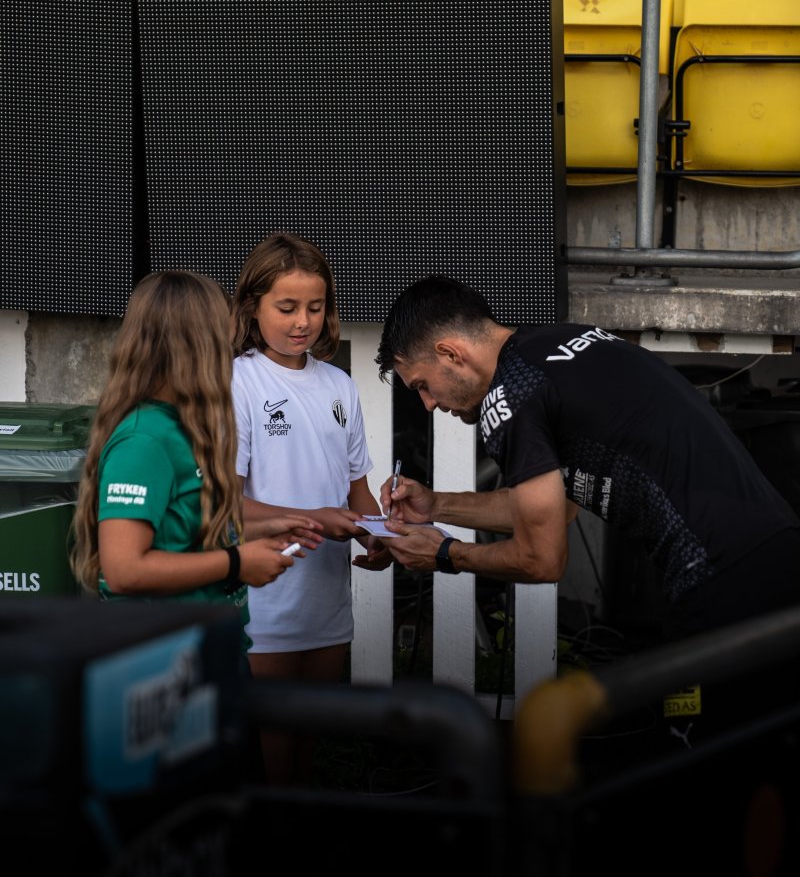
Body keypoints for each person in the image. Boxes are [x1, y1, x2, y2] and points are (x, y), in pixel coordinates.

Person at [374, 275, 800, 648]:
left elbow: (542, 559)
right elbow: (558, 508)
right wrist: (436, 506)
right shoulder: (561, 342)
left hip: (717, 579)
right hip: (778, 549)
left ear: (450, 353)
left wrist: (446, 554)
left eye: (423, 385)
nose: (428, 404)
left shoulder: (510, 396)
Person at [70, 270, 323, 668]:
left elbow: (181, 532)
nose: (230, 353)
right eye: (223, 342)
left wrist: (259, 529)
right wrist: (239, 562)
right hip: (166, 663)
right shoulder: (144, 441)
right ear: (194, 347)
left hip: (208, 648)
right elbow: (123, 569)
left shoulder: (182, 425)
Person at [230, 230, 391, 786]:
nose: (303, 321)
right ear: (252, 306)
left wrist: (378, 537)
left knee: (310, 740)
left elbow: (357, 490)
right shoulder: (238, 382)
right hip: (265, 598)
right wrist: (311, 520)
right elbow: (226, 504)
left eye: (315, 307)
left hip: (326, 595)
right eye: (287, 307)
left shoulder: (341, 386)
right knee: (272, 742)